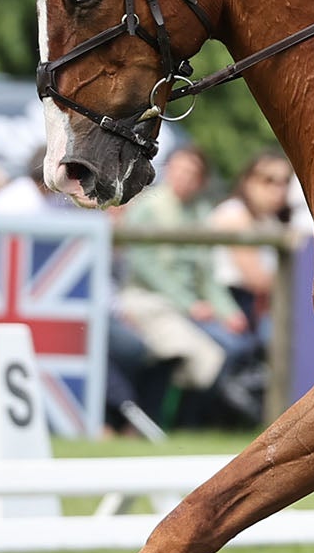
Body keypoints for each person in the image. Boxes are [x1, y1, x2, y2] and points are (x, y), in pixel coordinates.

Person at [118, 145, 261, 421]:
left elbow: (207, 274)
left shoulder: (201, 213)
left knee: (239, 345)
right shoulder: (148, 208)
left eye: (191, 173)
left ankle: (197, 422)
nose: (184, 177)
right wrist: (189, 304)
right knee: (209, 354)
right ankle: (178, 423)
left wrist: (228, 311)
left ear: (201, 180)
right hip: (150, 301)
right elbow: (145, 267)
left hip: (194, 307)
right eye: (180, 170)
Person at [210, 149, 295, 330]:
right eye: (268, 180)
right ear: (248, 181)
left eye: (285, 182)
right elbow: (256, 280)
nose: (278, 190)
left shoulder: (270, 221)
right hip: (229, 305)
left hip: (261, 304)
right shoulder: (233, 214)